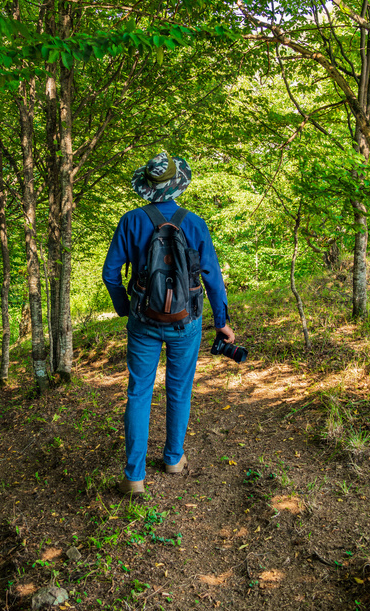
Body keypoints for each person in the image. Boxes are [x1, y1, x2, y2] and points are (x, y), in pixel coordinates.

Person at [102, 152, 234, 495]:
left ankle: (134, 477)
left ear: (146, 187)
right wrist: (222, 322)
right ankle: (174, 459)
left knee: (138, 393)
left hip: (142, 321)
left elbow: (110, 273)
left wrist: (124, 308)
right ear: (177, 184)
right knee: (179, 389)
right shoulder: (193, 222)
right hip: (185, 323)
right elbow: (213, 279)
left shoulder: (130, 221)